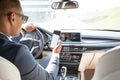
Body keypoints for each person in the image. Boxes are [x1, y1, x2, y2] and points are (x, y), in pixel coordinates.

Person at [0, 0, 62, 80]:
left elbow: (6, 44)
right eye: (23, 18)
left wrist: (23, 30)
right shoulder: (19, 52)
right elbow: (49, 78)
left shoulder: (7, 48)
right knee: (47, 60)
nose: (23, 23)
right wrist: (55, 54)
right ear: (13, 18)